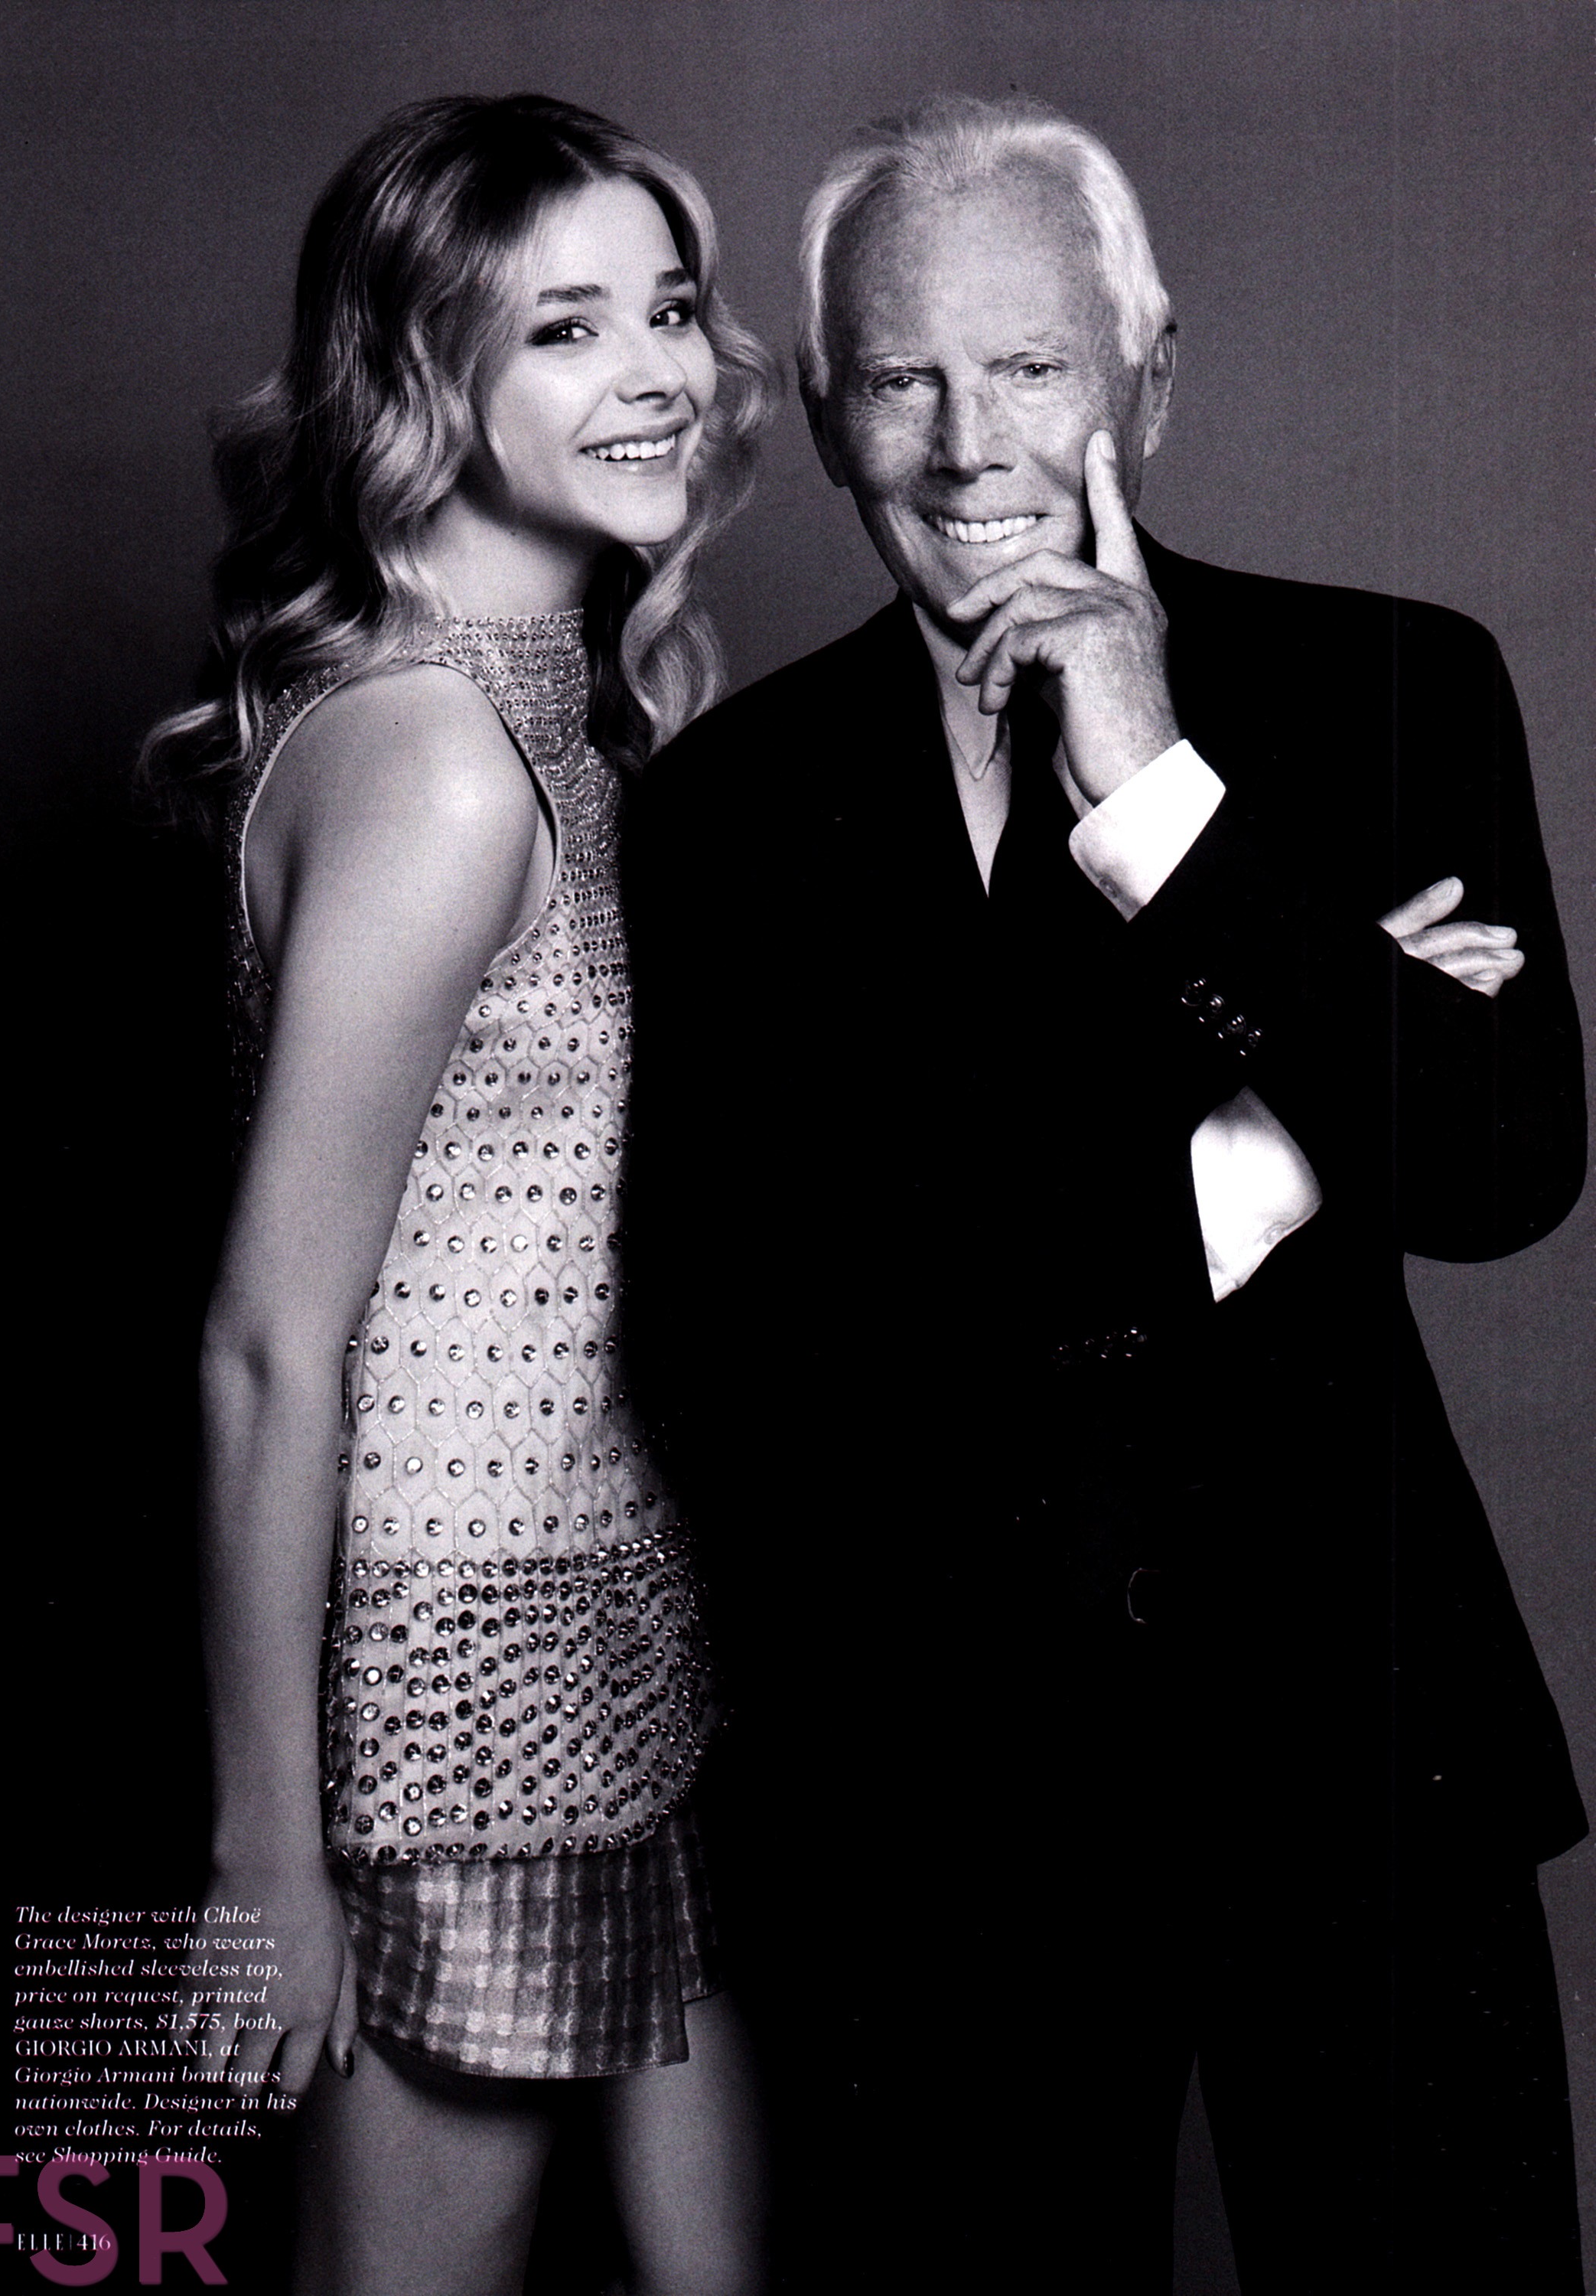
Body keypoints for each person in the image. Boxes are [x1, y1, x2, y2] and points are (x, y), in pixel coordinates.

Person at [623, 95, 1587, 2294]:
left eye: (1030, 365)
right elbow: (757, 1343)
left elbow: (1495, 1165)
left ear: (1146, 377)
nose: (967, 444)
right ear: (829, 408)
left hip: (1363, 1742)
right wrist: (1254, 1145)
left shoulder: (1395, 683)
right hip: (936, 1794)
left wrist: (1156, 798)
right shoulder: (724, 813)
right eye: (900, 376)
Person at [145, 93, 772, 2296]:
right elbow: (266, 1342)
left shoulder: (543, 711)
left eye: (670, 309)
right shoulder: (431, 756)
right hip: (447, 1698)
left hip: (598, 1637)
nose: (660, 373)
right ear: (420, 376)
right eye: (564, 328)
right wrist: (265, 1857)